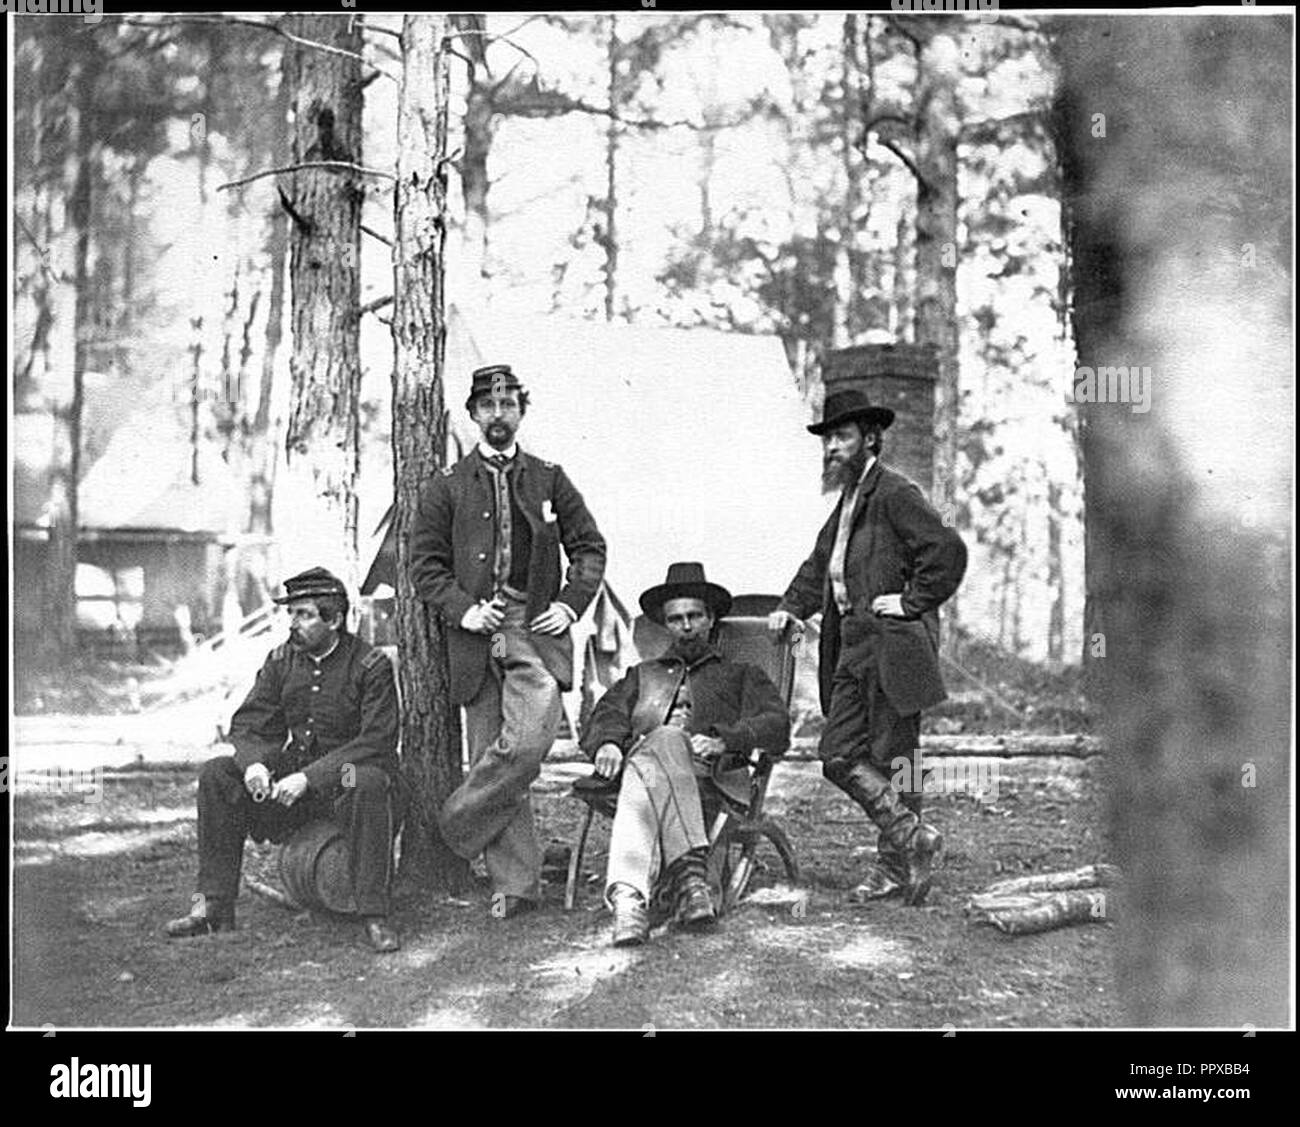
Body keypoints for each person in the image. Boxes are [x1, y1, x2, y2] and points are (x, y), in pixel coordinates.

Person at [410, 364, 606, 918]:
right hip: (473, 633)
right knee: (489, 746)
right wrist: (464, 610)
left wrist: (569, 604)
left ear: (522, 410)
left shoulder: (549, 478)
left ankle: (451, 824)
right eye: (488, 406)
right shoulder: (445, 487)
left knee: (525, 748)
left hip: (532, 627)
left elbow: (590, 546)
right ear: (473, 414)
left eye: (508, 406)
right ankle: (515, 884)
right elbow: (424, 566)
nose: (499, 416)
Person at [768, 389, 967, 906]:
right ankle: (912, 838)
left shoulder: (896, 493)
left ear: (870, 438)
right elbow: (819, 567)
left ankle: (895, 868)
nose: (831, 447)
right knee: (838, 754)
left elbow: (947, 549)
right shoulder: (848, 504)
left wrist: (911, 601)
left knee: (895, 755)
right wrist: (792, 606)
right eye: (828, 438)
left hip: (893, 645)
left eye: (842, 436)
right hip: (852, 646)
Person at [165, 567, 406, 952]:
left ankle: (374, 915)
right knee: (217, 775)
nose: (293, 624)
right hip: (295, 791)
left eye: (304, 615)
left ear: (335, 619)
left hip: (346, 783)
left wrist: (309, 778)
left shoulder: (370, 665)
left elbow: (376, 740)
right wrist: (256, 765)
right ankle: (214, 906)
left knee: (366, 779)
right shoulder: (282, 660)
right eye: (291, 614)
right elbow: (250, 723)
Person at [580, 562, 790, 947]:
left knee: (655, 750)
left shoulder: (741, 673)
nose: (687, 625)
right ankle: (692, 880)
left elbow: (777, 725)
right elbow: (606, 716)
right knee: (657, 747)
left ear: (711, 619)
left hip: (714, 775)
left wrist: (727, 739)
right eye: (676, 619)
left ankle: (628, 900)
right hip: (651, 770)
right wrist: (608, 742)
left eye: (695, 615)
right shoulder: (642, 674)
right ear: (666, 624)